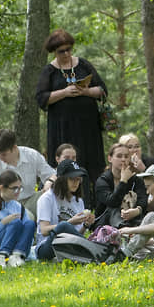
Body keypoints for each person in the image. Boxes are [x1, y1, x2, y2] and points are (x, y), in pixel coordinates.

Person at [35, 28, 107, 198]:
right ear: (54, 51)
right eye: (61, 51)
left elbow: (102, 90)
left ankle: (94, 202)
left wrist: (85, 92)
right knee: (67, 167)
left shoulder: (83, 64)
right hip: (63, 128)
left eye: (69, 49)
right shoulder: (49, 71)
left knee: (92, 165)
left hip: (88, 128)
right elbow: (41, 98)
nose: (66, 54)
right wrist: (64, 93)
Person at [0, 130, 56, 217]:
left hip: (30, 199)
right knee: (28, 216)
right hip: (6, 205)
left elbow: (53, 175)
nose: (0, 158)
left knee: (53, 197)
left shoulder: (31, 155)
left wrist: (50, 181)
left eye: (4, 154)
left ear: (14, 148)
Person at [35, 159, 95, 261]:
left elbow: (77, 236)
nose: (76, 183)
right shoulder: (47, 198)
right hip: (45, 248)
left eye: (78, 179)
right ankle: (94, 250)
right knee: (64, 225)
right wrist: (70, 222)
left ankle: (92, 251)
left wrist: (86, 225)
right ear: (62, 179)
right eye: (72, 179)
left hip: (68, 245)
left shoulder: (78, 201)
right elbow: (44, 230)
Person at [94, 143, 148, 228]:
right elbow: (112, 202)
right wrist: (123, 181)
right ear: (110, 158)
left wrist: (137, 210)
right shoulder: (102, 181)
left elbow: (143, 199)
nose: (123, 159)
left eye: (126, 156)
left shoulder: (136, 180)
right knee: (114, 209)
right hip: (106, 224)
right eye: (119, 156)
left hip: (133, 220)